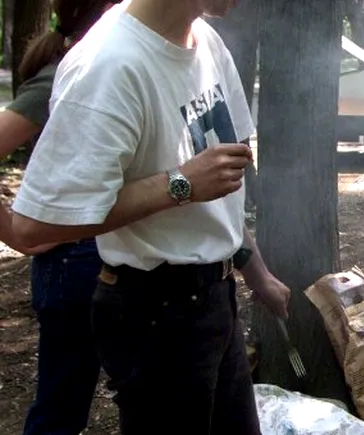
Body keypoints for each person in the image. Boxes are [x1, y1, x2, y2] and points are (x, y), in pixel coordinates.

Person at [10, 0, 292, 433]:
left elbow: (219, 191)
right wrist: (179, 183)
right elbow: (35, 226)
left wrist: (256, 273)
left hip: (214, 298)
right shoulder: (108, 67)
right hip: (155, 316)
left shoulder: (207, 41)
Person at [0, 1, 117, 434]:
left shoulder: (106, 64)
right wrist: (15, 233)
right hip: (74, 261)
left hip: (104, 254)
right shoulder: (71, 69)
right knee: (61, 408)